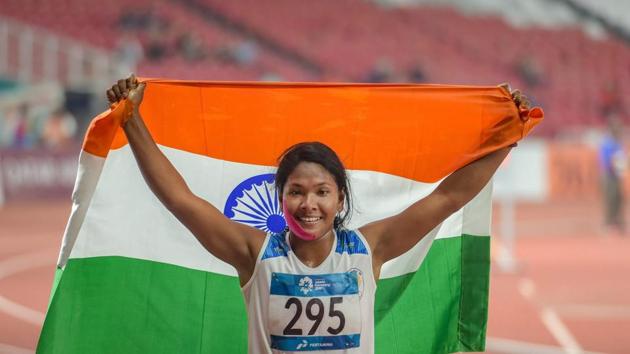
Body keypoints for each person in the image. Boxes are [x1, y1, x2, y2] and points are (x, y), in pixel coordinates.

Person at [106, 75, 529, 353]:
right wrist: (132, 123)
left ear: (340, 199)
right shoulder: (255, 253)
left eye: (323, 192)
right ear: (281, 199)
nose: (310, 205)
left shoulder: (369, 248)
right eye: (297, 192)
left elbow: (447, 199)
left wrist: (507, 137)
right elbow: (180, 199)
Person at [599, 116, 627, 235]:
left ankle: (619, 223)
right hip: (608, 174)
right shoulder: (607, 142)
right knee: (610, 198)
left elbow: (622, 157)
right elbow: (606, 160)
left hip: (617, 174)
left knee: (619, 198)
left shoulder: (618, 142)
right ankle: (609, 223)